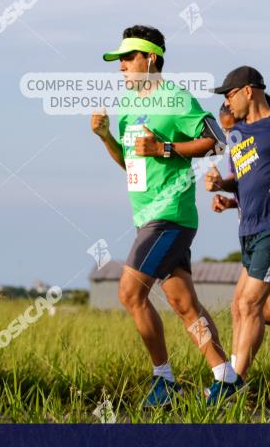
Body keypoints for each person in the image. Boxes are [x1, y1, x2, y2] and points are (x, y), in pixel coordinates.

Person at [91, 24, 234, 407]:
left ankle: (164, 380)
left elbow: (217, 141)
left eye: (127, 58)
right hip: (146, 216)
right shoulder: (129, 107)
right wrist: (106, 136)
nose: (121, 66)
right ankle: (225, 376)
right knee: (185, 305)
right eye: (117, 60)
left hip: (170, 215)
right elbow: (129, 163)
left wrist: (166, 149)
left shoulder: (175, 98)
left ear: (150, 58)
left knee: (129, 292)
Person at [207, 66, 270, 403]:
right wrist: (223, 188)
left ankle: (233, 386)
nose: (227, 104)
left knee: (250, 303)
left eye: (229, 95)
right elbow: (248, 179)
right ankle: (233, 380)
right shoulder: (240, 134)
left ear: (249, 91)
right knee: (239, 307)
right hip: (249, 231)